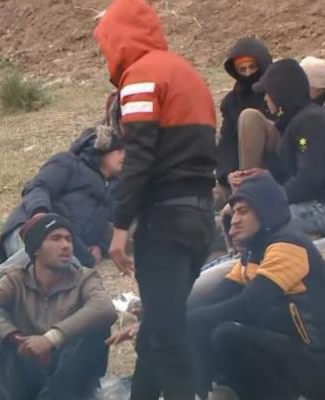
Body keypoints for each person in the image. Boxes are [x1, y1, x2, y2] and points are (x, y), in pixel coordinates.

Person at [94, 0, 217, 399]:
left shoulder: (141, 76)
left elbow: (140, 157)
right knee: (157, 331)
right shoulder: (187, 73)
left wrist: (120, 227)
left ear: (117, 39)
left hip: (164, 220)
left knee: (167, 338)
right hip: (201, 218)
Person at [188, 173, 325, 400]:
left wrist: (192, 321)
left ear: (265, 210)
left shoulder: (289, 246)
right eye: (233, 213)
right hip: (289, 352)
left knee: (226, 335)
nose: (234, 221)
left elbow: (249, 305)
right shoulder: (254, 253)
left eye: (243, 211)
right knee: (206, 323)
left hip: (315, 360)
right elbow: (216, 297)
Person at [0, 120, 125, 286]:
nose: (125, 157)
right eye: (120, 151)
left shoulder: (116, 188)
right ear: (104, 149)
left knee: (69, 264)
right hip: (28, 226)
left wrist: (100, 246)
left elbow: (113, 225)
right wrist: (40, 213)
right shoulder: (68, 163)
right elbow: (38, 188)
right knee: (47, 257)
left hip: (66, 245)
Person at [0, 214, 117, 400]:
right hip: (26, 367)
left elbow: (105, 308)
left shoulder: (84, 278)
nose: (65, 245)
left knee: (97, 326)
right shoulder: (17, 279)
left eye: (68, 239)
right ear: (36, 250)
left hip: (69, 379)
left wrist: (50, 340)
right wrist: (17, 339)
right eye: (55, 239)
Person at [250, 58, 325, 237]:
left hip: (318, 206)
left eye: (268, 93)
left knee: (255, 221)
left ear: (281, 93)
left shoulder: (310, 123)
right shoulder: (295, 122)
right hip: (306, 203)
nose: (265, 98)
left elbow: (309, 177)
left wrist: (272, 198)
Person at [216, 37, 273, 204]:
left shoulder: (306, 119)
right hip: (239, 181)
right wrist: (228, 175)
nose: (248, 74)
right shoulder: (232, 102)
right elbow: (227, 144)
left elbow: (301, 142)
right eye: (242, 69)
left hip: (277, 174)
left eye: (252, 67)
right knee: (210, 196)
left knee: (249, 118)